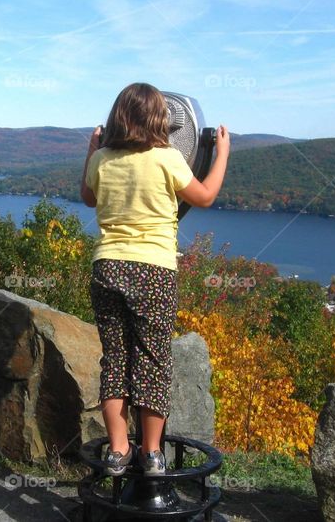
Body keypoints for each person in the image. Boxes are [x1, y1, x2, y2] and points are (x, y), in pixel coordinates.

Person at [80, 82, 229, 476]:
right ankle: (151, 454)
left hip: (108, 266)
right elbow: (205, 196)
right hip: (153, 271)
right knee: (152, 361)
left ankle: (117, 450)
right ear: (161, 120)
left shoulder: (102, 160)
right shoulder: (168, 158)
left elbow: (88, 197)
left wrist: (93, 149)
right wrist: (221, 154)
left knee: (115, 359)